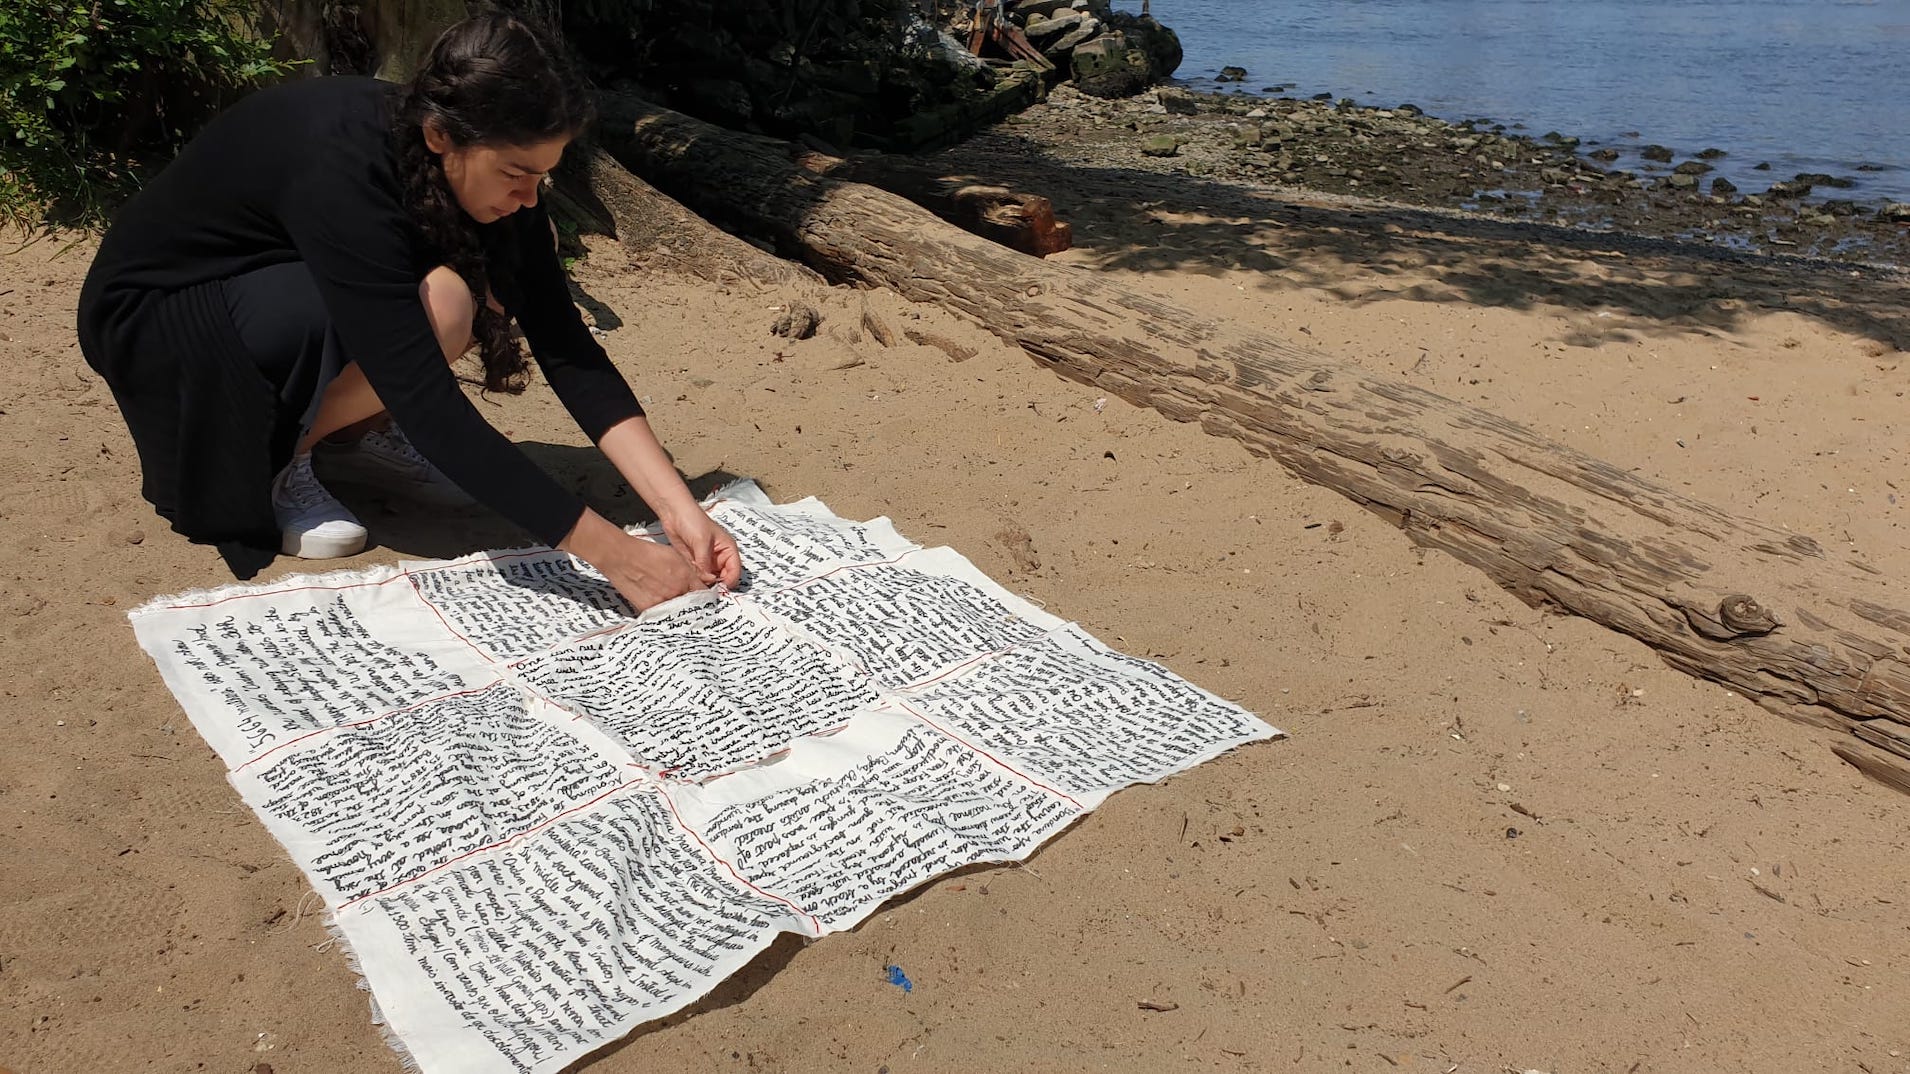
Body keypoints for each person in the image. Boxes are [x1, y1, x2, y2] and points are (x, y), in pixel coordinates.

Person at [76, 13, 741, 610]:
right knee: (439, 306)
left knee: (456, 297)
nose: (532, 196)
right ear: (440, 135)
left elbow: (569, 349)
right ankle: (272, 458)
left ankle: (348, 434)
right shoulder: (340, 164)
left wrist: (678, 510)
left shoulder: (491, 179)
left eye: (545, 174)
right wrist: (621, 560)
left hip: (275, 290)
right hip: (164, 322)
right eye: (516, 174)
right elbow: (427, 403)